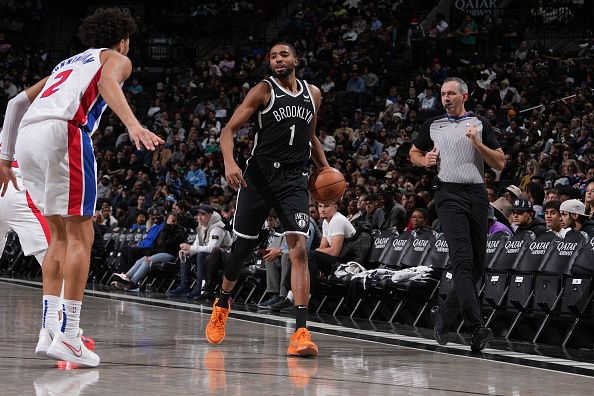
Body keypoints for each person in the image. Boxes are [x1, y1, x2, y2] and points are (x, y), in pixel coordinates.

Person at [0, 8, 163, 367]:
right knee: (81, 236)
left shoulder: (64, 65)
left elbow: (15, 104)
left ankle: (48, 332)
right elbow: (107, 83)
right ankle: (70, 335)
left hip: (27, 139)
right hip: (64, 131)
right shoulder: (116, 57)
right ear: (122, 39)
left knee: (59, 235)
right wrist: (133, 125)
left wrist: (4, 158)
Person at [204, 42, 330, 357]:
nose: (277, 59)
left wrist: (326, 168)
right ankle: (222, 303)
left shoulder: (312, 94)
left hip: (294, 179)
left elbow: (310, 137)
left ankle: (301, 332)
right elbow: (228, 131)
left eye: (283, 54)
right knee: (242, 249)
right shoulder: (263, 91)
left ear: (296, 60)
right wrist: (230, 163)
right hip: (259, 177)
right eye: (273, 56)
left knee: (299, 249)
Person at [409, 77, 504, 352]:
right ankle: (477, 327)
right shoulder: (433, 125)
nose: (446, 98)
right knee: (462, 261)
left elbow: (499, 162)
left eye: (451, 93)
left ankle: (444, 315)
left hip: (476, 194)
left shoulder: (480, 124)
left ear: (465, 96)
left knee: (476, 268)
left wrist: (478, 144)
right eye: (442, 94)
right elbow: (413, 152)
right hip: (448, 195)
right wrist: (423, 160)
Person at [169, 205, 232, 299]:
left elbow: (212, 249)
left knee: (201, 254)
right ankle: (184, 285)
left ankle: (199, 288)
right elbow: (195, 246)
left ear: (210, 215)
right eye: (198, 215)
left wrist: (191, 248)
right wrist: (188, 252)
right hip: (208, 257)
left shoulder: (217, 227)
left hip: (223, 258)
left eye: (203, 214)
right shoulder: (201, 227)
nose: (199, 217)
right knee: (185, 254)